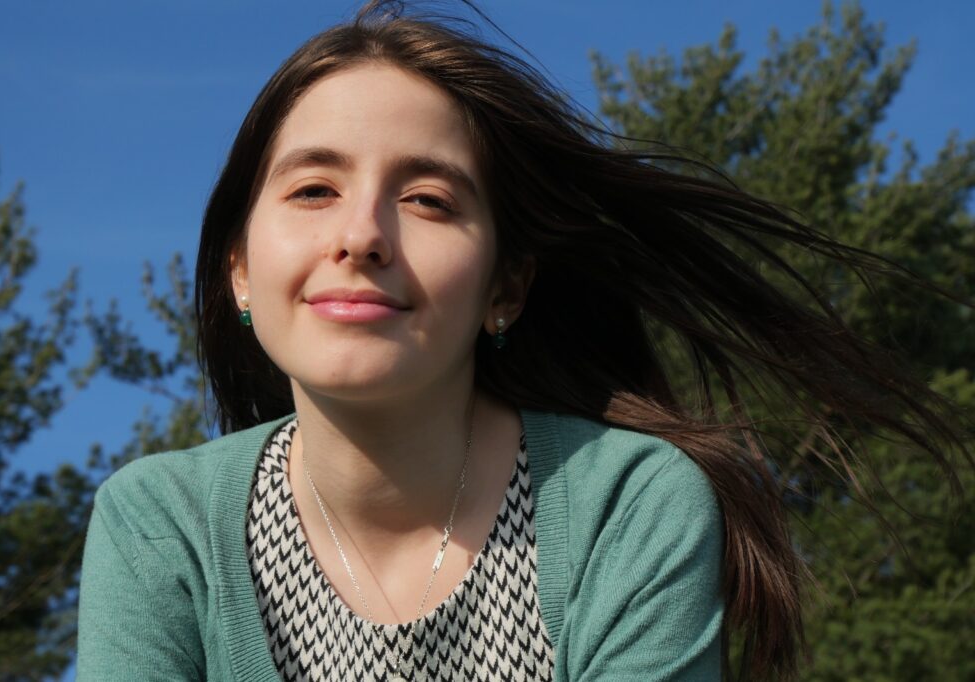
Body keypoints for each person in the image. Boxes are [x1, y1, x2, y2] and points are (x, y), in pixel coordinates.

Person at [76, 2, 971, 681]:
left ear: (506, 285)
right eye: (313, 189)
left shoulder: (630, 507)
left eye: (428, 199)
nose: (363, 235)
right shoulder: (161, 527)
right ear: (239, 269)